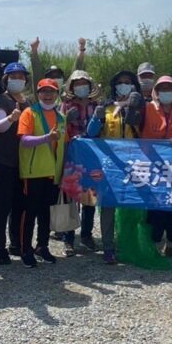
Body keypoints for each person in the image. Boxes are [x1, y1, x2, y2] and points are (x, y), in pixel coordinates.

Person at [85, 70, 146, 264]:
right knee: (108, 207)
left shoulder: (141, 107)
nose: (124, 85)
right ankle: (108, 247)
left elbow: (148, 134)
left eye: (128, 82)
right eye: (120, 82)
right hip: (109, 165)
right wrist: (97, 118)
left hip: (134, 163)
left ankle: (129, 244)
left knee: (133, 206)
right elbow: (91, 133)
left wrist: (135, 113)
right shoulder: (107, 107)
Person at [17, 79, 67, 267]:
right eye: (44, 92)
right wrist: (47, 137)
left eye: (52, 92)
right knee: (29, 213)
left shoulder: (61, 117)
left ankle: (42, 246)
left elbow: (64, 144)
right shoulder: (30, 113)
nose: (48, 95)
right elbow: (24, 140)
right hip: (33, 171)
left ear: (57, 94)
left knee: (47, 213)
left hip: (53, 173)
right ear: (38, 94)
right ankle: (25, 249)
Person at [141, 75, 172, 259]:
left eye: (169, 88)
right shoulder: (147, 109)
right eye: (162, 89)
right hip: (152, 164)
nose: (166, 92)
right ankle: (153, 244)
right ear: (157, 92)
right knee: (155, 206)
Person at [0, 62, 30, 263]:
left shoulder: (28, 102)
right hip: (3, 162)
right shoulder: (2, 101)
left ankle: (17, 243)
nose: (18, 80)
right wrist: (11, 119)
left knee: (19, 205)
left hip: (23, 163)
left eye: (21, 77)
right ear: (6, 79)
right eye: (13, 76)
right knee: (1, 207)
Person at [60, 69, 100, 256]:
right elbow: (58, 129)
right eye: (77, 84)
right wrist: (65, 120)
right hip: (72, 155)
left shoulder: (97, 105)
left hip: (92, 156)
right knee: (70, 196)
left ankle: (86, 234)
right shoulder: (66, 106)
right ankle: (68, 238)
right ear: (72, 87)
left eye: (84, 83)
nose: (81, 87)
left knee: (90, 196)